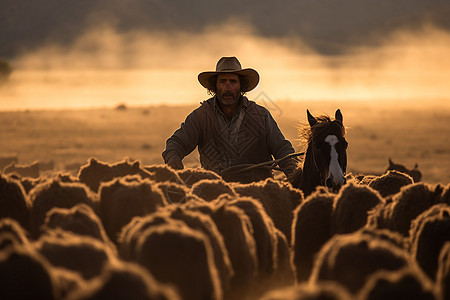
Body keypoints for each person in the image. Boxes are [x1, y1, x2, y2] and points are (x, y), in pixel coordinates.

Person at [162, 56, 297, 183]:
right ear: (214, 86)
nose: (228, 87)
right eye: (222, 82)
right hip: (216, 192)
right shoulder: (200, 117)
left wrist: (293, 173)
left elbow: (282, 150)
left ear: (241, 86)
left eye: (233, 82)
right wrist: (174, 162)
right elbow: (176, 143)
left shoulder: (261, 116)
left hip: (258, 191)